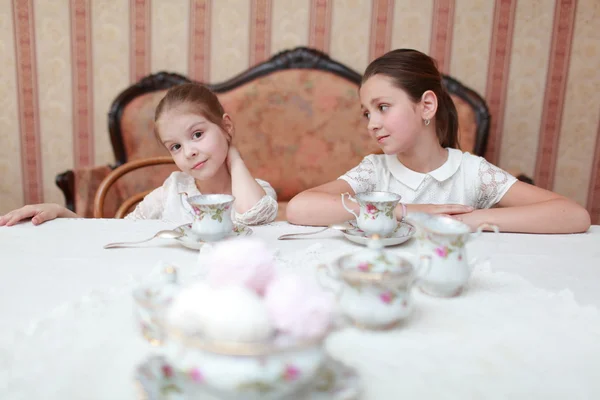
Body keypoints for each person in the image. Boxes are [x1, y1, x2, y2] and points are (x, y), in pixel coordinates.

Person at [285, 49, 590, 234]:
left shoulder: (472, 173)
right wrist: (408, 212)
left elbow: (574, 216)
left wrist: (468, 220)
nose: (372, 124)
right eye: (367, 113)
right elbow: (300, 208)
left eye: (383, 107)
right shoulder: (374, 171)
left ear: (427, 106)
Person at [0, 83, 278, 226]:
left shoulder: (255, 192)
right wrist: (62, 214)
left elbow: (252, 214)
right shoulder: (173, 191)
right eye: (176, 147)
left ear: (225, 126)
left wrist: (235, 157)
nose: (190, 152)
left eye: (197, 135)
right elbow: (120, 230)